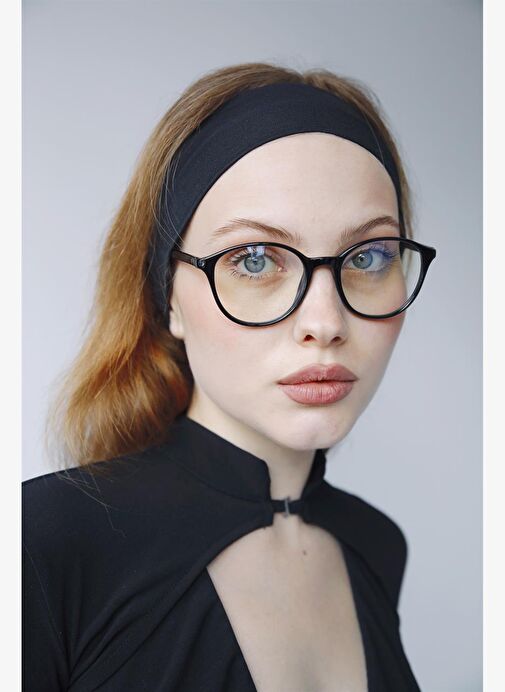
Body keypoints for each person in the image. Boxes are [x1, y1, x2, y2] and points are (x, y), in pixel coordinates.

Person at [22, 62, 436, 691]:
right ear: (168, 294)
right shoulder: (42, 541)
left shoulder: (377, 546)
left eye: (369, 256)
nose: (325, 323)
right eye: (255, 259)